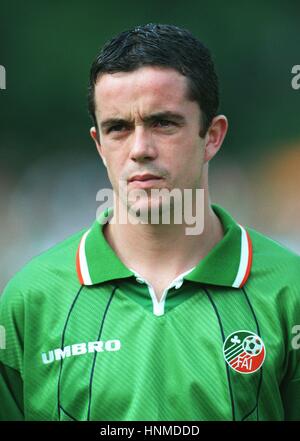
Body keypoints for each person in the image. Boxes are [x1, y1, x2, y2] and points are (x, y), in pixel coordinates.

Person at [0, 23, 300, 422]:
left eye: (163, 123)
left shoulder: (289, 290)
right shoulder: (31, 298)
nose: (140, 149)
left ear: (212, 136)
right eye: (118, 128)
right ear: (99, 145)